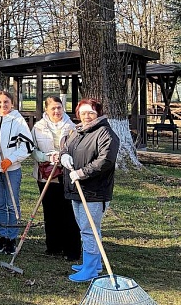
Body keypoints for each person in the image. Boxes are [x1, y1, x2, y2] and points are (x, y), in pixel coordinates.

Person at [60, 98, 118, 282]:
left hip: (94, 191)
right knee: (85, 228)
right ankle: (94, 263)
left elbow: (105, 161)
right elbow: (65, 147)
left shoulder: (105, 133)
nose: (86, 116)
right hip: (76, 189)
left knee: (89, 230)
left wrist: (82, 172)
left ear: (98, 113)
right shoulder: (78, 131)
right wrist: (64, 156)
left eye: (91, 113)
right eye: (83, 113)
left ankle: (90, 269)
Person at [0, 90, 33, 255]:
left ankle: (11, 238)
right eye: (0, 102)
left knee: (12, 204)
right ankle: (2, 236)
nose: (3, 105)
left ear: (12, 103)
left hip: (11, 170)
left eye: (6, 102)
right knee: (0, 204)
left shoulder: (18, 121)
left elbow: (27, 146)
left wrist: (11, 159)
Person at [31, 96, 80, 261]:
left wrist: (64, 157)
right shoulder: (38, 127)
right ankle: (53, 246)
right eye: (53, 108)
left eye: (59, 107)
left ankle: (70, 248)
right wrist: (46, 157)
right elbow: (32, 150)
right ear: (46, 110)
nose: (57, 111)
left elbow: (77, 149)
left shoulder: (72, 127)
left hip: (66, 174)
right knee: (50, 211)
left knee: (68, 211)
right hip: (46, 175)